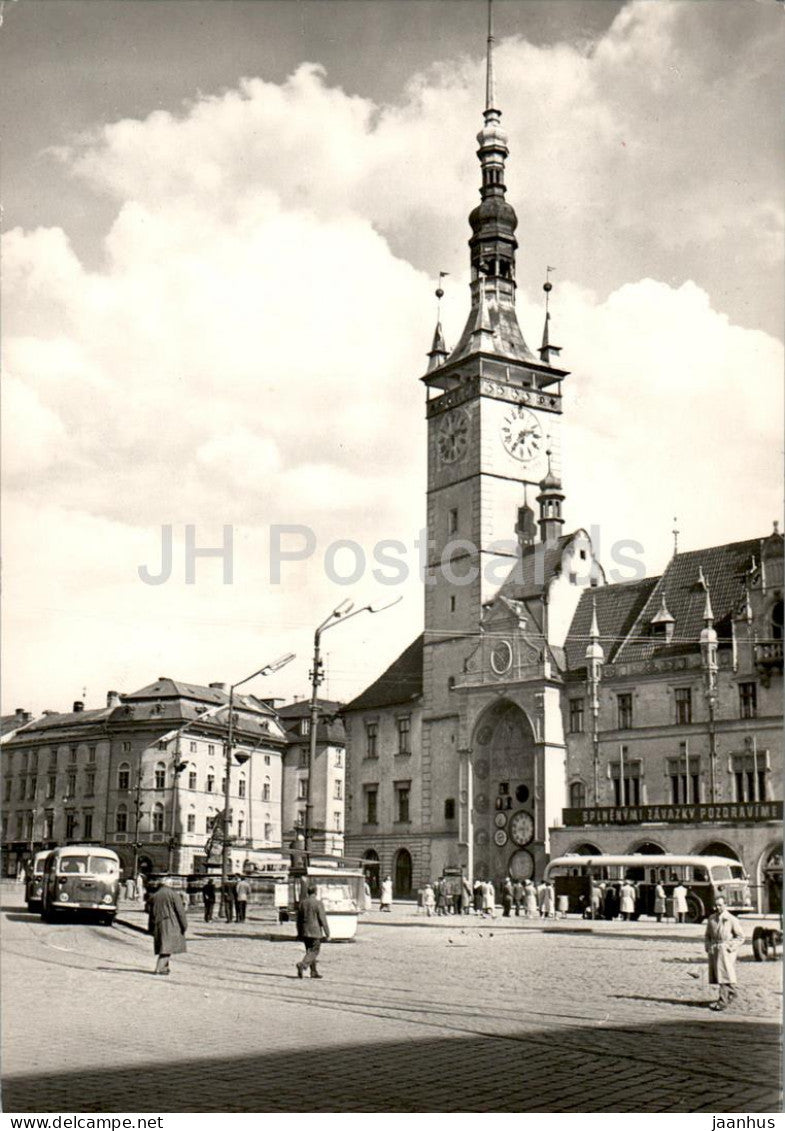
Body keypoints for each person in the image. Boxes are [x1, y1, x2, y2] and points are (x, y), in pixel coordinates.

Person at [704, 896, 745, 1011]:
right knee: (721, 974)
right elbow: (707, 935)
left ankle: (722, 1001)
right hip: (715, 949)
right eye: (716, 905)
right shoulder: (711, 918)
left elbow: (741, 937)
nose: (717, 908)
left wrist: (730, 947)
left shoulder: (731, 919)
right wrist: (708, 946)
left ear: (725, 905)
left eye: (720, 905)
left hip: (726, 950)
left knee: (724, 975)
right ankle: (732, 993)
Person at [150, 876, 188, 976]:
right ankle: (159, 968)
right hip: (171, 923)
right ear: (170, 884)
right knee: (167, 947)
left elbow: (150, 912)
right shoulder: (173, 895)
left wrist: (150, 927)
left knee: (164, 945)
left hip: (158, 923)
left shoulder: (155, 895)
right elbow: (180, 912)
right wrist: (184, 925)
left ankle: (165, 968)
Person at [296, 883, 331, 979]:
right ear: (316, 892)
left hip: (305, 932)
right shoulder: (318, 903)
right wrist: (327, 933)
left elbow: (298, 920)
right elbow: (322, 919)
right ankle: (302, 965)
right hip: (315, 932)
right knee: (315, 951)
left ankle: (313, 972)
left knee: (309, 951)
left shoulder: (303, 903)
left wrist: (299, 933)